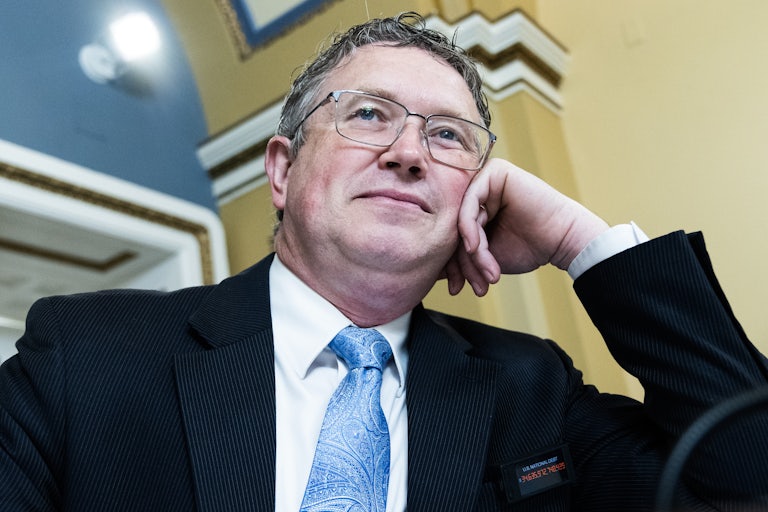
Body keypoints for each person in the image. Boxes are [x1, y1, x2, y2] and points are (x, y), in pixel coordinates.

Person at [1, 11, 767, 512]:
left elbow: (744, 486)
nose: (408, 152)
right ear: (281, 170)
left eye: (447, 137)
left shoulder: (535, 389)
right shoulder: (82, 355)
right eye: (368, 114)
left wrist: (584, 244)